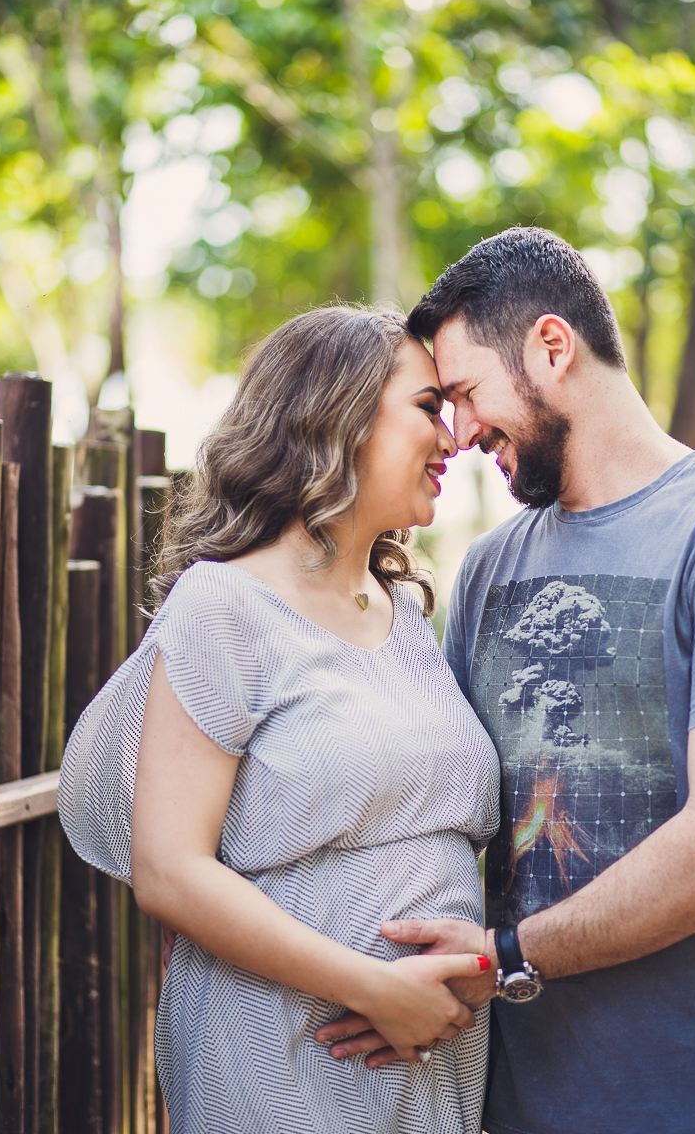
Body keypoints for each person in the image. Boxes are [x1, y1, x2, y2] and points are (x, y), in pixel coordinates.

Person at [316, 229, 695, 1134]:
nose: (459, 430)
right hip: (515, 1100)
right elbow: (437, 800)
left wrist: (507, 956)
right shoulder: (487, 571)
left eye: (467, 393)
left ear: (552, 347)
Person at [58, 306, 501, 1134]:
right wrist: (372, 987)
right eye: (426, 406)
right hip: (289, 1049)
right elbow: (169, 871)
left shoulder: (405, 609)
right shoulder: (223, 606)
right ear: (337, 411)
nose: (453, 436)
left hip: (430, 1059)